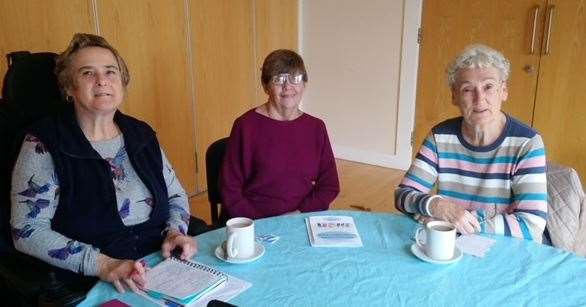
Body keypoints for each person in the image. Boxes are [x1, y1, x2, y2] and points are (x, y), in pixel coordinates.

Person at [10, 33, 197, 293]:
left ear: (122, 81)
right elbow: (27, 230)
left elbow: (176, 195)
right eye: (87, 73)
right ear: (69, 88)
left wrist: (175, 233)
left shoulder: (141, 134)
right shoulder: (43, 144)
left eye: (110, 71)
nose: (102, 81)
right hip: (94, 281)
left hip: (161, 269)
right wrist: (103, 265)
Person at [395, 44, 548, 242]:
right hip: (454, 245)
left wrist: (456, 220)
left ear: (504, 91)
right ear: (454, 96)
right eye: (467, 89)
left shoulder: (527, 143)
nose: (479, 99)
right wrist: (436, 207)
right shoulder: (440, 137)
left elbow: (531, 225)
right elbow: (402, 196)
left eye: (488, 87)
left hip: (504, 250)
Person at [221, 49, 340, 219]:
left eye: (295, 78)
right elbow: (230, 190)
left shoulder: (316, 127)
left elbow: (329, 186)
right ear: (265, 86)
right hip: (255, 222)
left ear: (305, 84)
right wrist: (263, 224)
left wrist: (298, 215)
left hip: (301, 219)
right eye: (279, 79)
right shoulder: (245, 126)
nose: (288, 86)